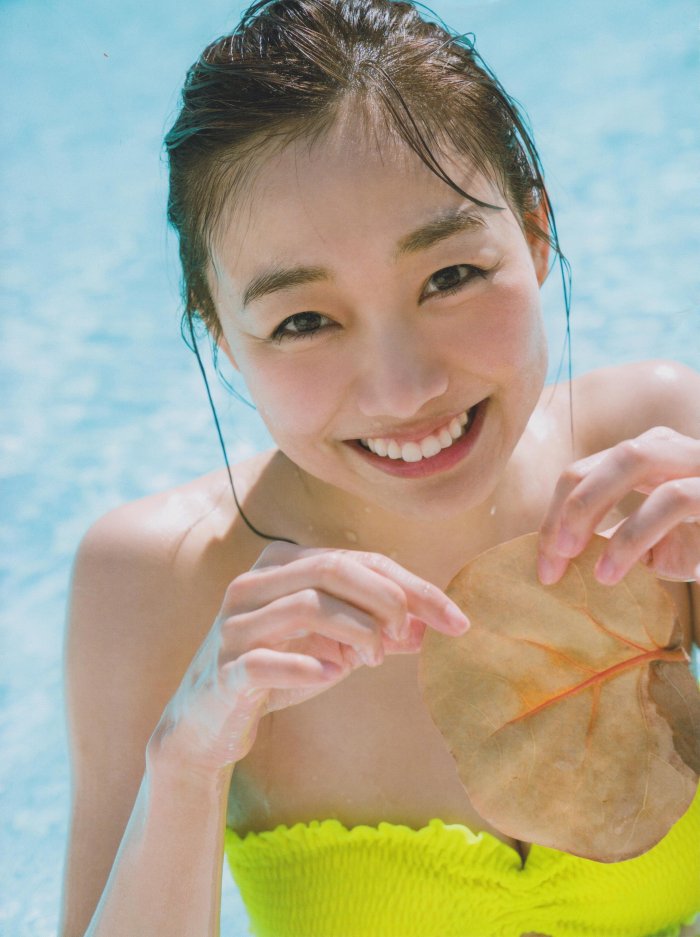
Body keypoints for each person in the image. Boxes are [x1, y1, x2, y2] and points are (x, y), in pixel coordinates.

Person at [58, 1, 700, 935]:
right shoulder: (161, 581)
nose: (406, 390)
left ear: (535, 233)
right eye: (303, 321)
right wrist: (188, 761)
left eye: (450, 276)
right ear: (221, 336)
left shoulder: (657, 460)